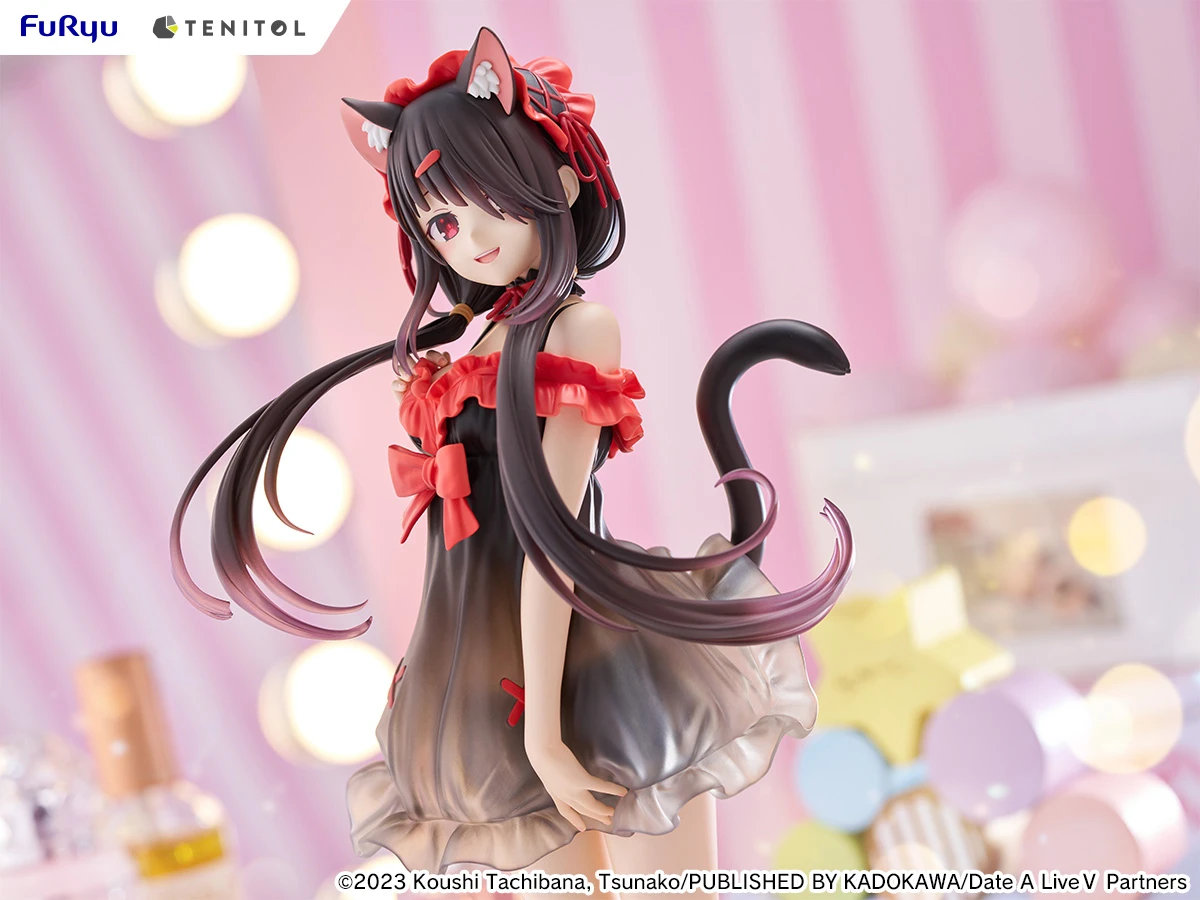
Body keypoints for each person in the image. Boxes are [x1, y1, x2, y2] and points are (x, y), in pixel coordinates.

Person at [171, 26, 854, 895]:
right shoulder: (472, 347)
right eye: (443, 221)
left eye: (489, 198)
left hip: (588, 659)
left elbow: (549, 542)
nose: (470, 238)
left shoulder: (576, 330)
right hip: (480, 672)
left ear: (558, 183)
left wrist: (545, 734)